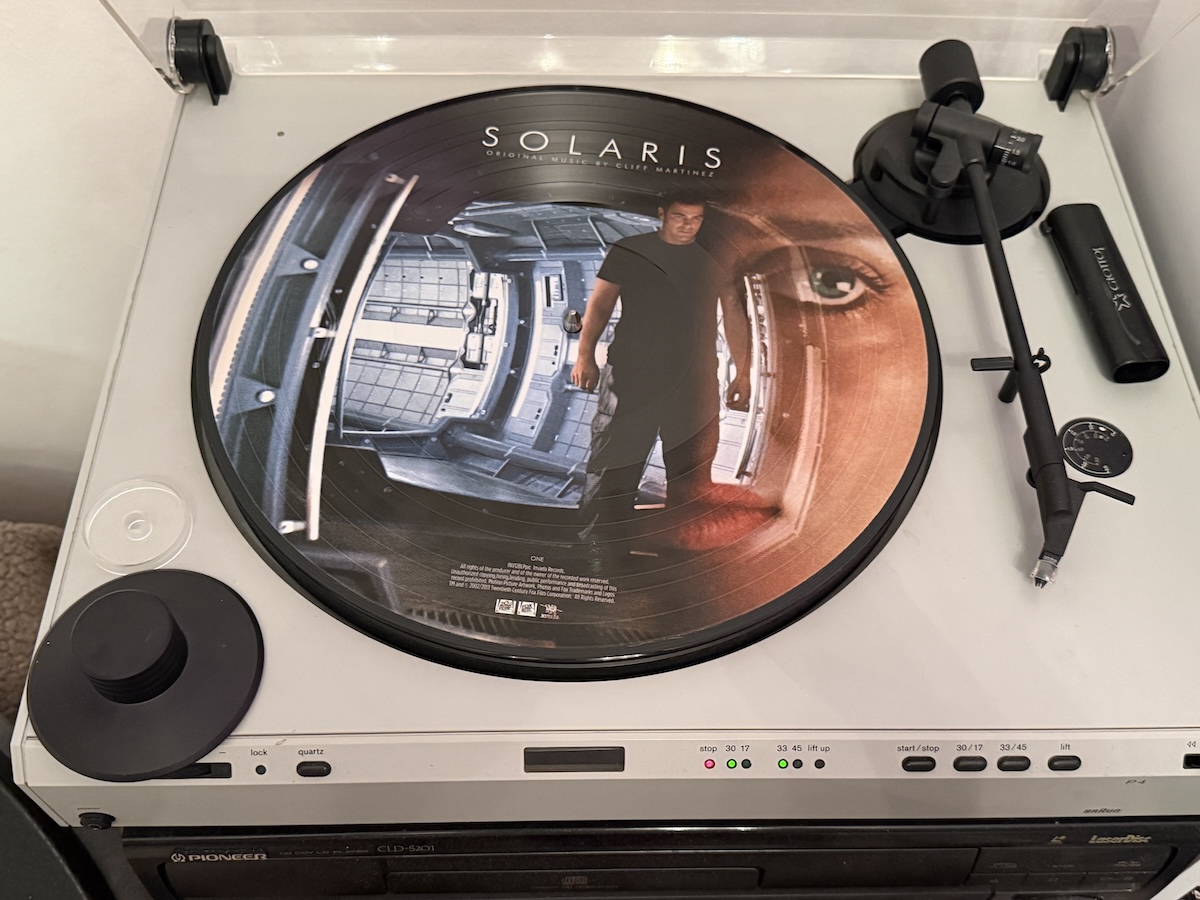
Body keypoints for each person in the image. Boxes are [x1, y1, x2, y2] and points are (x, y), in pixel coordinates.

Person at [570, 190, 755, 541]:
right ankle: (599, 548)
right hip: (630, 375)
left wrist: (743, 374)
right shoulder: (630, 250)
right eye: (680, 217)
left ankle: (682, 548)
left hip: (695, 380)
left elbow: (733, 313)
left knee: (692, 471)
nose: (688, 226)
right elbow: (600, 305)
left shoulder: (713, 258)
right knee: (613, 464)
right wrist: (585, 356)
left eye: (696, 219)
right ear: (662, 214)